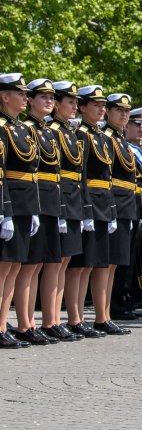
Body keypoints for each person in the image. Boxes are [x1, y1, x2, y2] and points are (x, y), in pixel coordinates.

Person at [15, 79, 65, 346]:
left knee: (40, 264)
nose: (48, 101)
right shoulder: (27, 128)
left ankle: (38, 322)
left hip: (47, 200)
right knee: (28, 265)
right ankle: (25, 323)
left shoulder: (45, 130)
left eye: (51, 97)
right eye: (42, 97)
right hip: (32, 199)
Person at [67, 85, 117, 339]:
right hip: (87, 200)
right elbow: (82, 174)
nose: (100, 109)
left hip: (102, 201)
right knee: (80, 265)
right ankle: (75, 318)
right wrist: (86, 207)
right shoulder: (81, 134)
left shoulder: (100, 136)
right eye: (94, 105)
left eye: (102, 105)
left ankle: (97, 317)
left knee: (95, 263)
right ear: (84, 108)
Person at [0, 73, 40, 348]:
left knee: (14, 266)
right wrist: (4, 211)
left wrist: (33, 209)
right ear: (4, 96)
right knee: (3, 268)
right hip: (9, 201)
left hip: (25, 203)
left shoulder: (23, 129)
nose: (26, 98)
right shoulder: (1, 127)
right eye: (20, 94)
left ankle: (3, 324)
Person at [97, 92, 139, 336]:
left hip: (125, 205)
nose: (124, 115)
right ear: (109, 113)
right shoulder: (107, 138)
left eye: (126, 111)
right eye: (119, 111)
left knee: (113, 264)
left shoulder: (122, 139)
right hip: (112, 203)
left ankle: (106, 313)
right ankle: (102, 315)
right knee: (106, 262)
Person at [48, 81, 86, 343]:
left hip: (72, 199)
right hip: (58, 199)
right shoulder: (52, 131)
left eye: (75, 102)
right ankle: (50, 320)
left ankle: (58, 320)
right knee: (54, 263)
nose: (74, 106)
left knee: (64, 263)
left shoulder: (69, 132)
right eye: (69, 102)